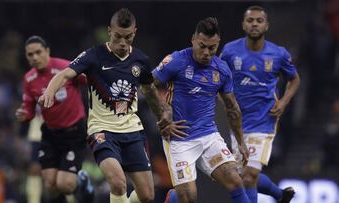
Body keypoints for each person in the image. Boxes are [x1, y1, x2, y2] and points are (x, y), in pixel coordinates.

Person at [39, 8, 172, 203]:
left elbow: (149, 91)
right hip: (102, 130)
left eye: (128, 37)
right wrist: (50, 91)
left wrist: (162, 115)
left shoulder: (140, 60)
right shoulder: (94, 55)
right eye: (118, 36)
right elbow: (64, 74)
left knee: (147, 196)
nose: (122, 43)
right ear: (110, 31)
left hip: (133, 131)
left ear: (134, 32)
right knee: (118, 182)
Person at [153, 17, 251, 203]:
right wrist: (163, 114)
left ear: (218, 44)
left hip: (208, 135)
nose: (206, 52)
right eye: (202, 46)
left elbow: (232, 108)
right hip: (179, 138)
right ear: (193, 39)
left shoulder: (221, 70)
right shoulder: (175, 60)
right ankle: (173, 198)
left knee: (235, 180)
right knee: (188, 198)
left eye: (212, 48)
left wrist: (241, 142)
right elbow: (149, 85)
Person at [220, 6, 301, 203]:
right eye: (250, 20)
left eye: (259, 20)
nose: (254, 24)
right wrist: (224, 101)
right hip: (237, 124)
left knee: (249, 175)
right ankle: (280, 195)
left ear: (266, 25)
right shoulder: (230, 51)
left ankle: (278, 195)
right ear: (243, 24)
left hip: (264, 121)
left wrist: (283, 102)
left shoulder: (278, 54)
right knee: (241, 177)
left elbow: (295, 79)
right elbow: (217, 77)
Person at [15, 35, 94, 203]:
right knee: (50, 184)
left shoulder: (66, 68)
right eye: (30, 54)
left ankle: (82, 181)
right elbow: (29, 107)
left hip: (74, 132)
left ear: (47, 51)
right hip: (51, 133)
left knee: (64, 184)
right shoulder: (29, 79)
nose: (35, 57)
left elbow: (90, 82)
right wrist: (24, 115)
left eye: (38, 52)